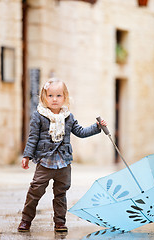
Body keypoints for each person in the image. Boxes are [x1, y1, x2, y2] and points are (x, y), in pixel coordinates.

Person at [18, 78, 107, 233]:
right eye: (50, 95)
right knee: (35, 191)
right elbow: (33, 138)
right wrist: (27, 156)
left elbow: (80, 132)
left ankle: (60, 222)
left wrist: (96, 127)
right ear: (44, 97)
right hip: (45, 162)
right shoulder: (39, 116)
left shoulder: (69, 117)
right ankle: (26, 220)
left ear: (65, 97)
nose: (54, 99)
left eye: (58, 96)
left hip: (63, 163)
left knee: (61, 194)